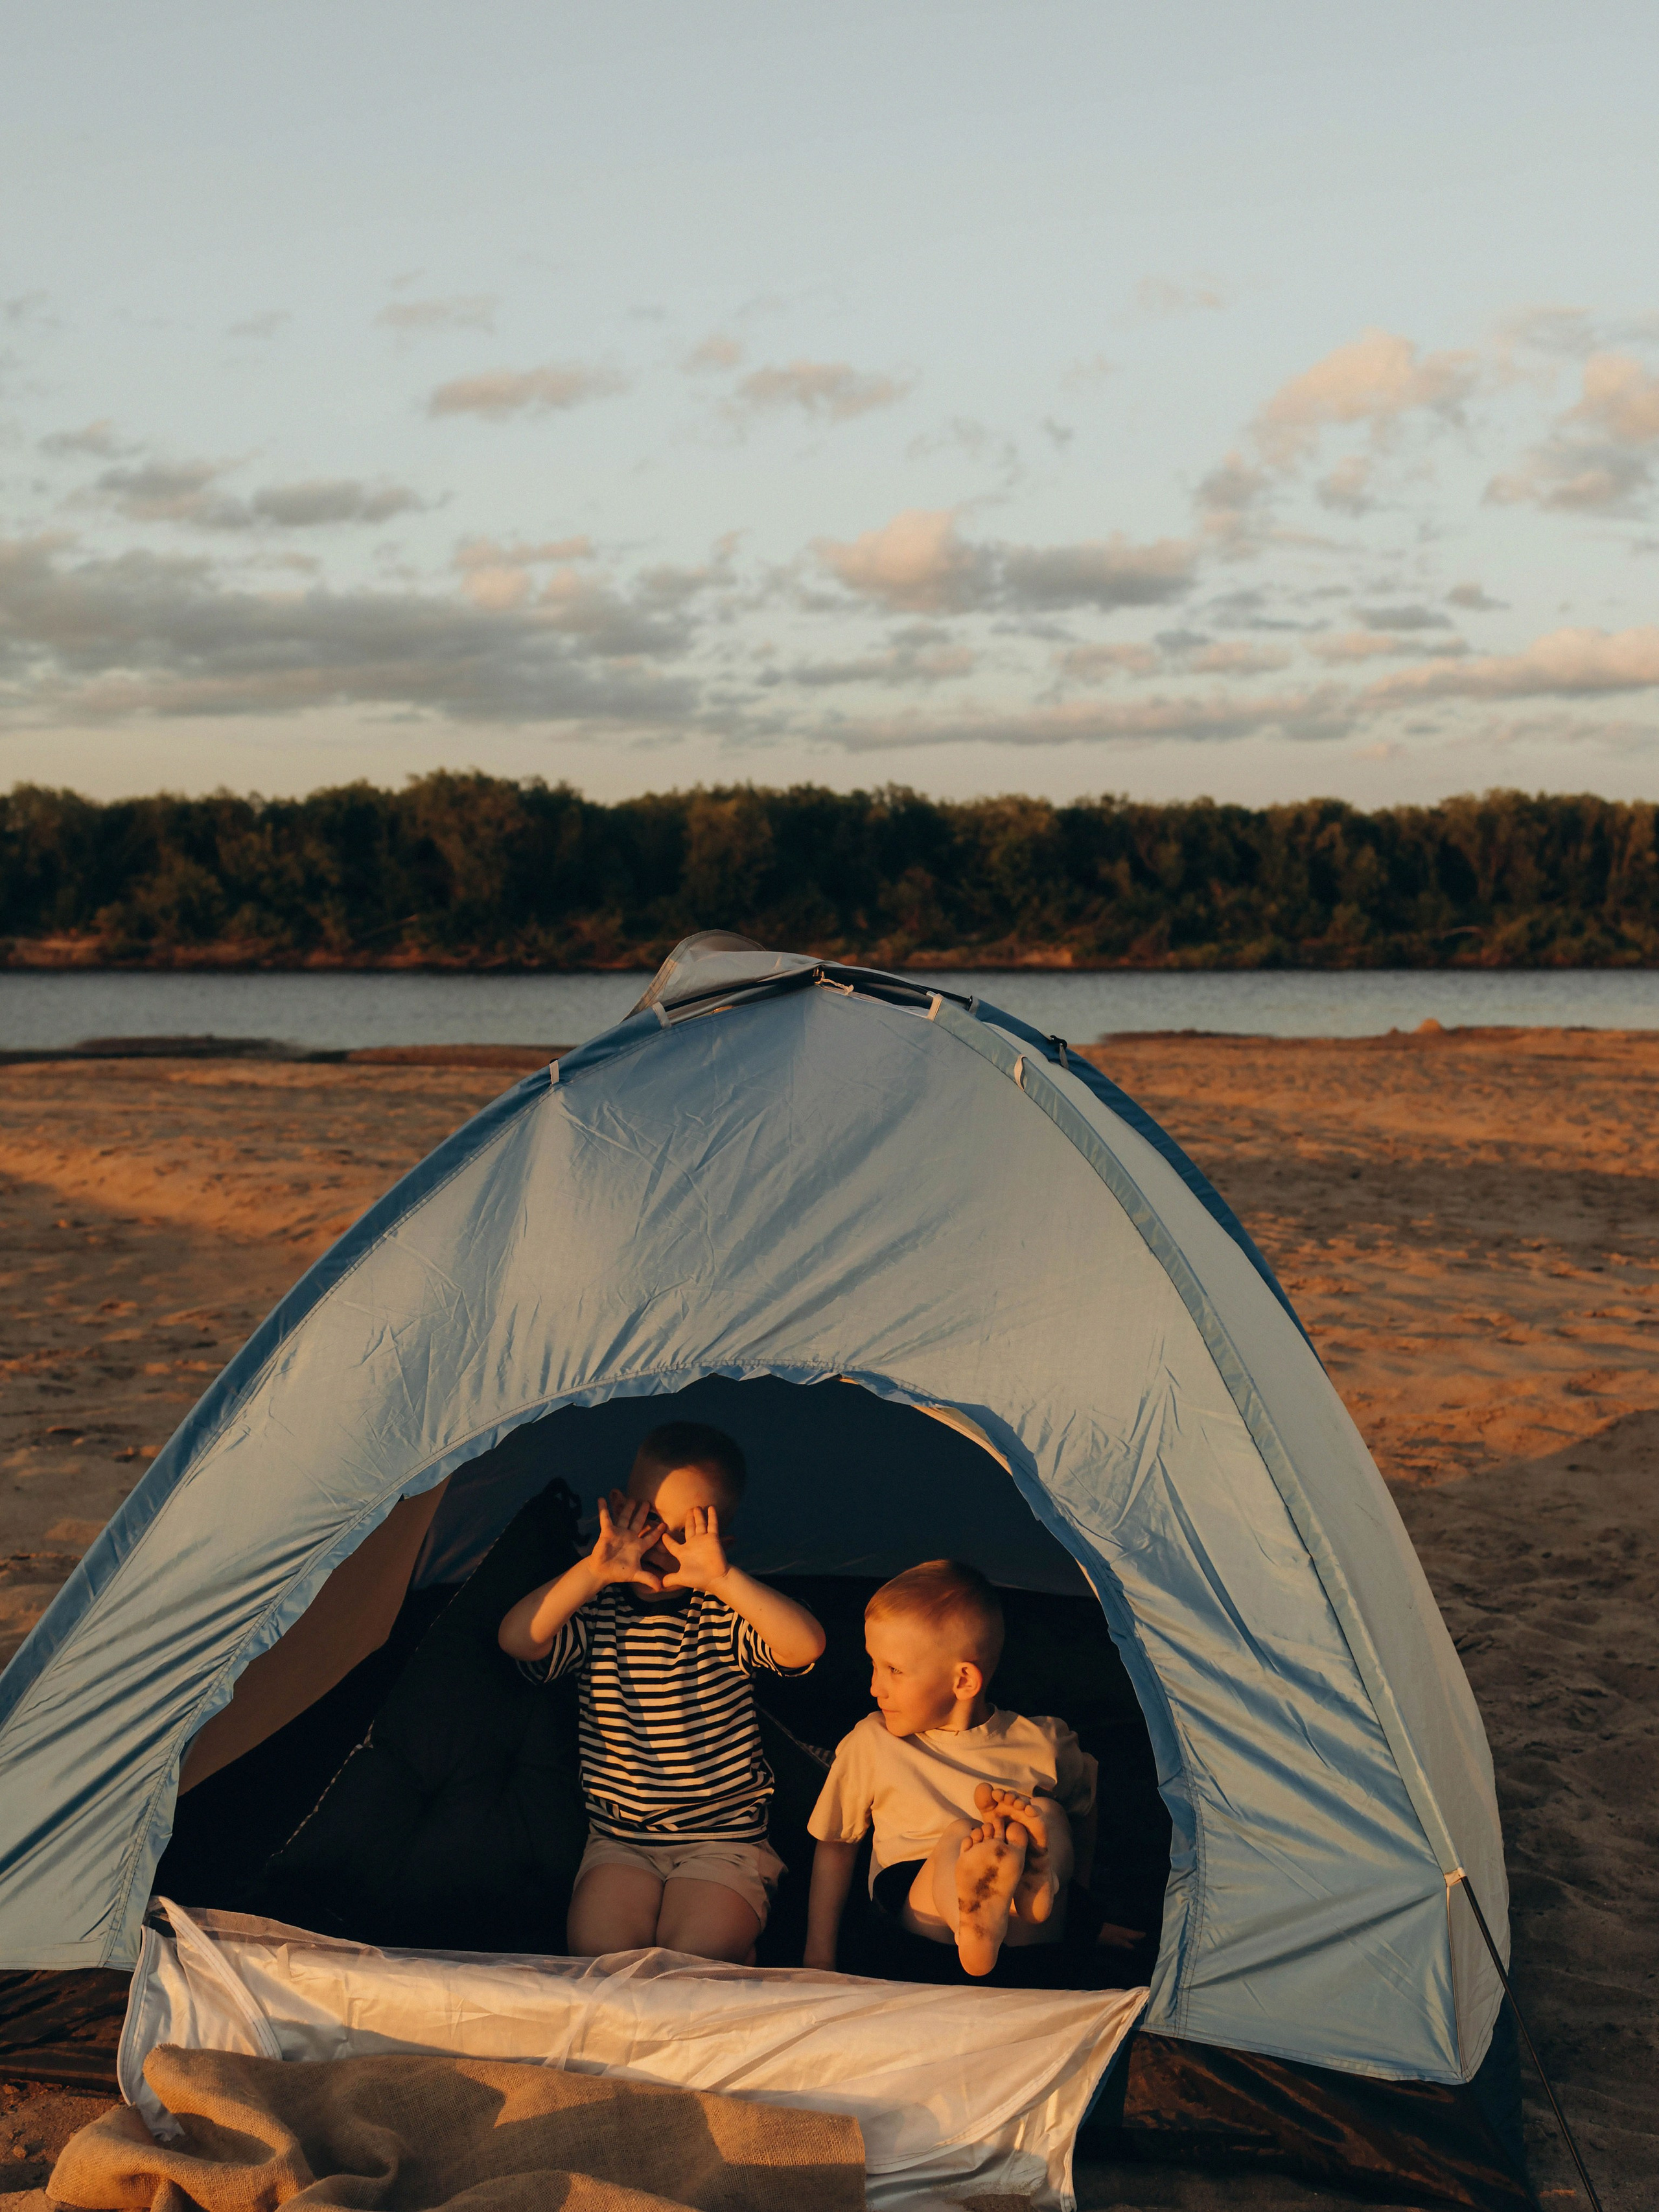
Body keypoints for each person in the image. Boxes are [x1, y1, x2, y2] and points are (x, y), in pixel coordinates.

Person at [500, 1421, 825, 1964]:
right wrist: (593, 1570)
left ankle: (734, 1954)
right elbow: (518, 1639)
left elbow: (805, 1646)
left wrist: (723, 1579)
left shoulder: (721, 1614)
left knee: (693, 1956)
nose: (658, 1543)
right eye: (649, 1521)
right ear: (620, 1511)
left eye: (682, 1533)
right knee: (600, 1953)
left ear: (719, 1544)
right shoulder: (597, 1612)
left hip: (724, 1841)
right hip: (621, 1840)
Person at [803, 1558, 1115, 1980]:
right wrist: (819, 1958)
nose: (875, 1687)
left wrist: (1082, 1916)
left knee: (1047, 1816)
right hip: (920, 1931)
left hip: (1026, 1942)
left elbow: (1085, 1812)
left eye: (893, 1670)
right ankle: (973, 1921)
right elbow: (837, 1845)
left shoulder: (1045, 1743)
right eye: (874, 1664)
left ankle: (1033, 1889)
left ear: (964, 1681)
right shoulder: (873, 1742)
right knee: (963, 1832)